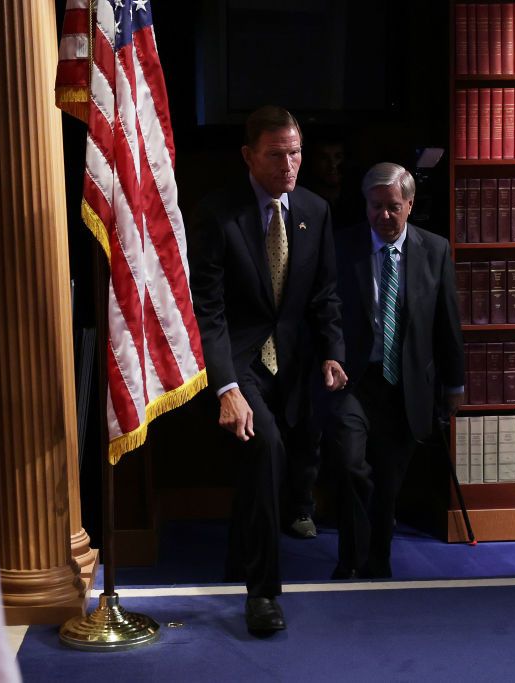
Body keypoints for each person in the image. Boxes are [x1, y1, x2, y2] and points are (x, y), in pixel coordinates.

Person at [188, 106, 348, 634]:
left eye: (296, 152)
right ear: (248, 156)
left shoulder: (315, 210)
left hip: (297, 359)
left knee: (289, 460)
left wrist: (333, 352)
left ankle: (242, 559)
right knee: (266, 446)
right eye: (277, 154)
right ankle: (262, 597)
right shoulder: (217, 213)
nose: (290, 164)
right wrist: (225, 387)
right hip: (241, 361)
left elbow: (324, 293)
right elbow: (207, 310)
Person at [326, 162, 464, 580]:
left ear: (410, 204)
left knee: (388, 482)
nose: (384, 217)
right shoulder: (340, 246)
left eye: (393, 207)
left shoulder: (434, 250)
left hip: (406, 385)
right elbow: (324, 311)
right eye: (375, 207)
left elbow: (447, 323)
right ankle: (350, 556)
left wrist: (454, 384)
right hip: (353, 380)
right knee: (351, 466)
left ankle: (377, 563)